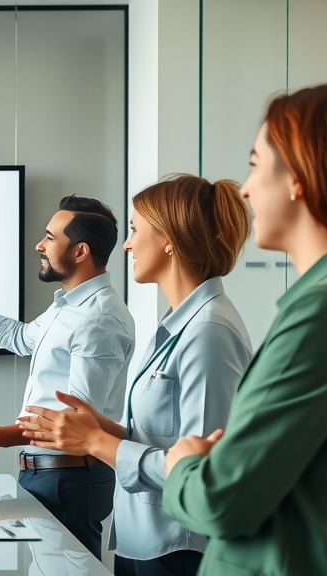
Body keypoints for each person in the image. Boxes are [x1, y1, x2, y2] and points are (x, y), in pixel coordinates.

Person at [18, 175, 253, 576]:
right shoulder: (177, 326)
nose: (126, 244)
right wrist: (103, 428)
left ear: (169, 240)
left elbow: (202, 475)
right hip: (144, 542)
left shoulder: (209, 332)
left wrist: (95, 440)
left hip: (178, 549)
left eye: (133, 230)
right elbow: (166, 437)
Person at [161, 83, 327, 576]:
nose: (243, 188)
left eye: (256, 164)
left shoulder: (323, 311)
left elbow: (222, 499)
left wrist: (185, 465)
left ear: (298, 177)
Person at [0, 196, 134, 559]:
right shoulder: (67, 306)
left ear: (80, 251)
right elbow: (22, 339)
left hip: (70, 477)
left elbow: (78, 421)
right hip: (49, 474)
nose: (39, 245)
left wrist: (0, 438)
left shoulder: (98, 320)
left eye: (50, 238)